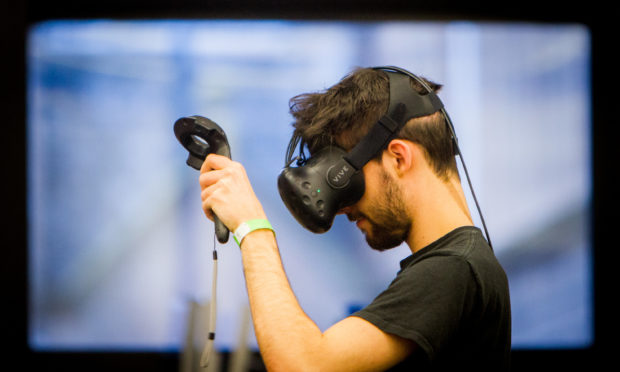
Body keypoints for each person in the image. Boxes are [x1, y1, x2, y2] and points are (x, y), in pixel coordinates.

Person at [198, 67, 511, 371]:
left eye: (349, 183)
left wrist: (251, 227)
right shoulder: (461, 266)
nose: (342, 208)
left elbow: (305, 366)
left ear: (399, 158)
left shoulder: (454, 270)